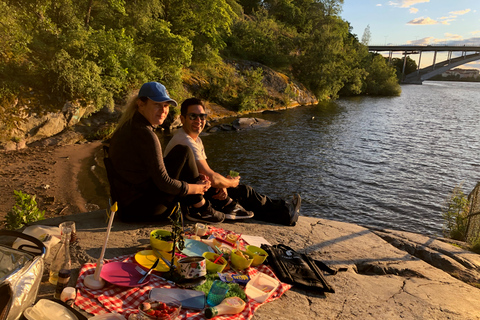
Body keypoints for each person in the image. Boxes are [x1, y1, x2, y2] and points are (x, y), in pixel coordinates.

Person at [164, 98, 301, 226]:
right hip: (187, 195)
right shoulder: (185, 140)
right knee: (242, 192)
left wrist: (222, 184)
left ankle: (284, 211)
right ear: (182, 119)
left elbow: (206, 171)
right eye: (193, 116)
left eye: (202, 116)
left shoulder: (196, 139)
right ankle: (285, 212)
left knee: (237, 192)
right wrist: (229, 183)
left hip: (195, 187)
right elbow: (211, 177)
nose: (199, 120)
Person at [106, 82, 225, 223]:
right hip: (141, 211)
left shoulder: (129, 127)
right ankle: (202, 208)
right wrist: (195, 188)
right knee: (184, 151)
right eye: (157, 104)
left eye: (166, 105)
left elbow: (154, 172)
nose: (163, 110)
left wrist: (191, 177)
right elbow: (164, 183)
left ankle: (199, 206)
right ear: (141, 104)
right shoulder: (144, 134)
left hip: (126, 206)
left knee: (181, 153)